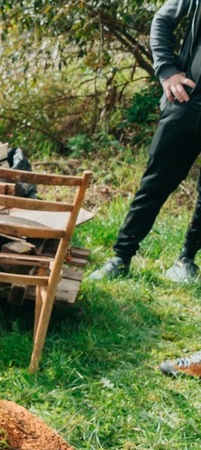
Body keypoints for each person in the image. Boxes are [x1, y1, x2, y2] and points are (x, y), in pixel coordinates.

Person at [87, 0, 201, 283]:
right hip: (188, 100)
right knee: (156, 182)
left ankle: (186, 259)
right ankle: (121, 258)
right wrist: (167, 71)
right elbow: (162, 20)